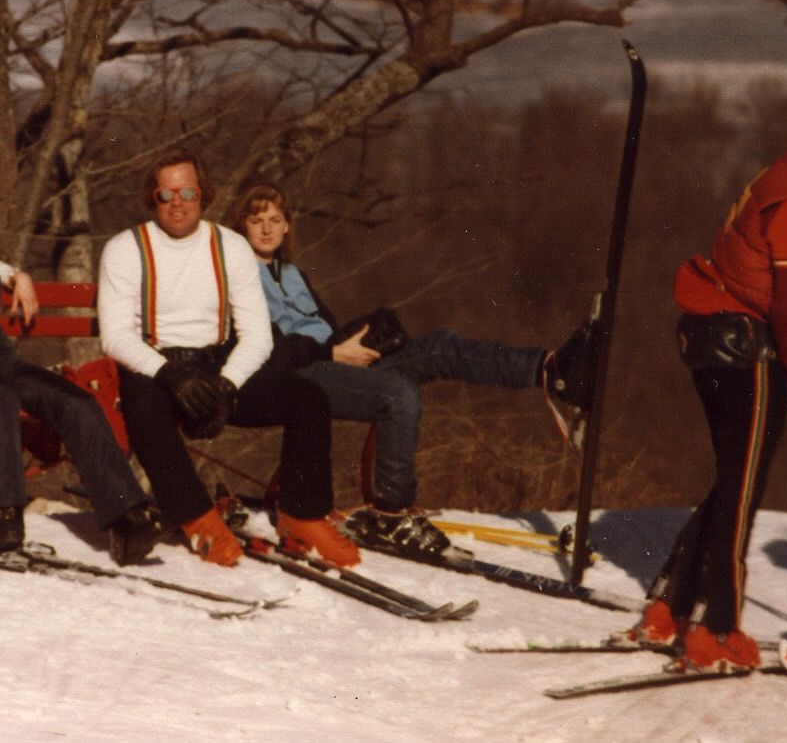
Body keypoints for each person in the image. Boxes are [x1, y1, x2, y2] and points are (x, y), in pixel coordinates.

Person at [627, 99, 787, 673]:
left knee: (735, 477)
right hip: (748, 350)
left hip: (713, 341)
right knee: (742, 491)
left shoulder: (782, 178)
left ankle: (667, 608)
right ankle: (717, 628)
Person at [229, 183, 590, 553]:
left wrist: (363, 341)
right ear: (241, 227)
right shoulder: (237, 275)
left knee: (440, 345)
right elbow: (265, 347)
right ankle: (391, 513)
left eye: (275, 219)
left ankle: (550, 370)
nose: (267, 229)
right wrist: (332, 353)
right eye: (256, 220)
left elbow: (325, 328)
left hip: (335, 357)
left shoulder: (291, 273)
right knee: (396, 393)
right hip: (303, 373)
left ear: (288, 226)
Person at [97, 150, 359, 568]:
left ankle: (302, 514)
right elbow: (115, 336)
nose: (178, 202)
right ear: (153, 197)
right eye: (166, 194)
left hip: (217, 362)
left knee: (307, 398)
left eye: (188, 192)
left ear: (203, 195)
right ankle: (197, 517)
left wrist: (227, 386)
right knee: (143, 404)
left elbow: (256, 334)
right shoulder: (126, 248)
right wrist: (170, 374)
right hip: (155, 363)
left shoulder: (230, 246)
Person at [0, 163, 160, 564]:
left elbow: (2, 272)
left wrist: (22, 276)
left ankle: (125, 519)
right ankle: (5, 517)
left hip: (3, 360)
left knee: (75, 401)